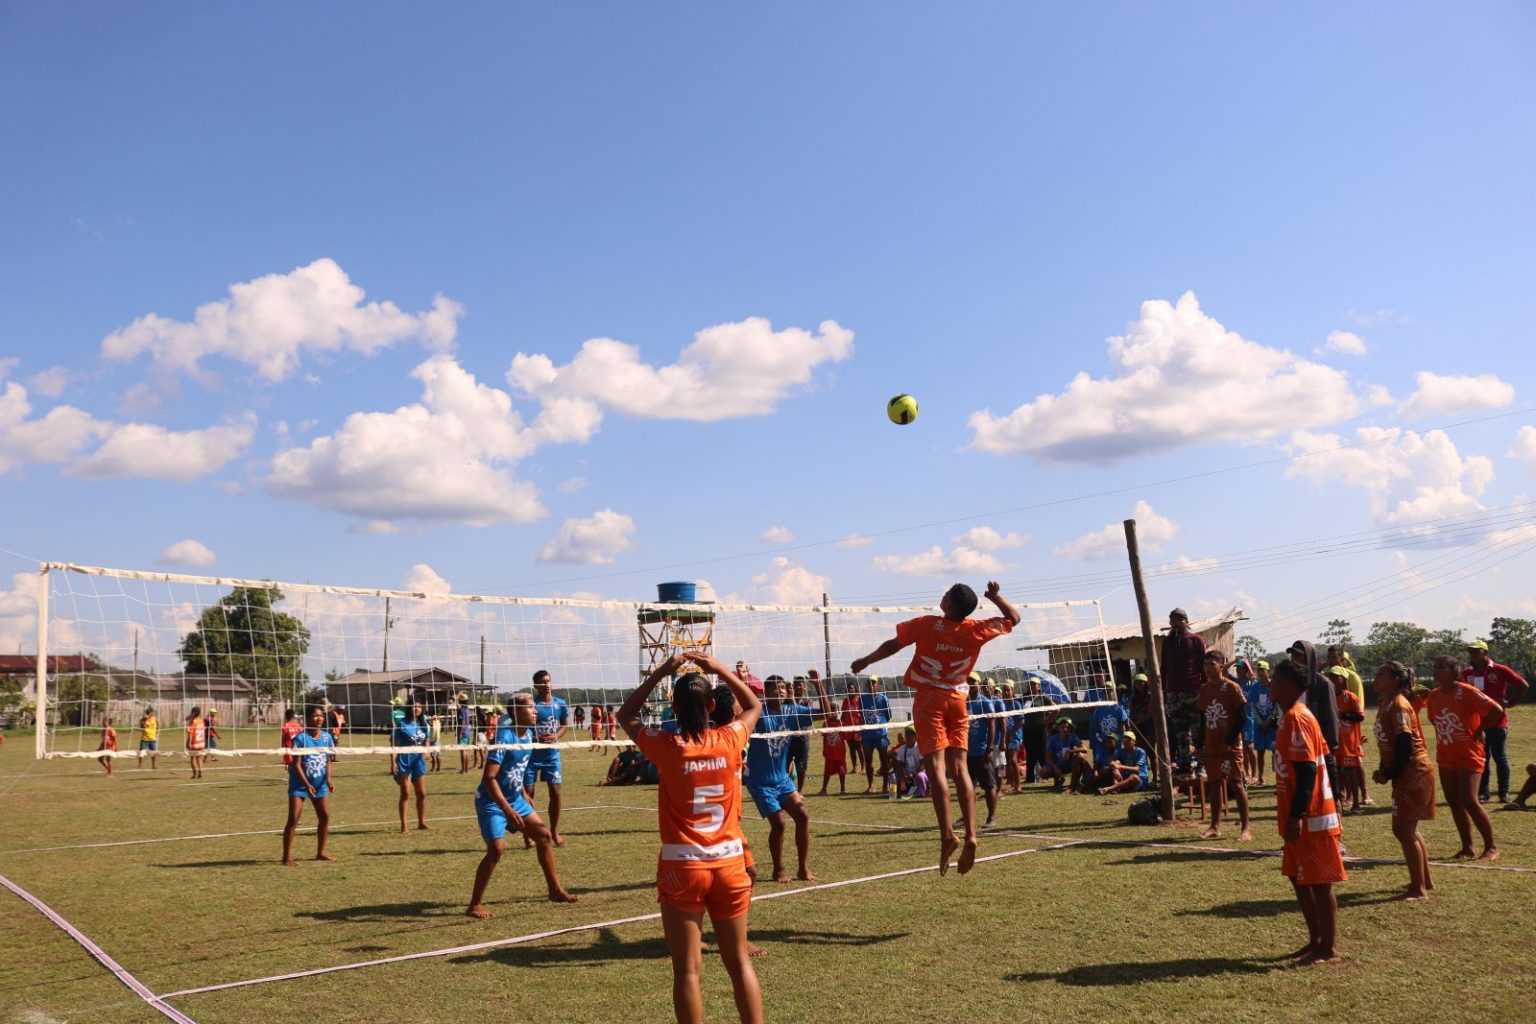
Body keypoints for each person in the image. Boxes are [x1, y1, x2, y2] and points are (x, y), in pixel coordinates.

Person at [615, 653, 763, 1024]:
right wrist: (720, 669)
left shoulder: (668, 746)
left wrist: (659, 673)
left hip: (683, 865)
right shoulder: (729, 739)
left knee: (687, 971)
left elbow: (626, 715)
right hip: (730, 864)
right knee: (739, 962)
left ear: (674, 708)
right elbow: (753, 706)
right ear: (712, 706)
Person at [849, 580, 1021, 876]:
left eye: (946, 594)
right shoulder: (975, 629)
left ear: (949, 603)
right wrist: (995, 597)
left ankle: (947, 835)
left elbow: (893, 645)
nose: (942, 595)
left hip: (930, 698)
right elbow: (1014, 618)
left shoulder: (926, 625)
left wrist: (865, 660)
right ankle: (972, 834)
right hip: (958, 699)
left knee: (937, 769)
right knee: (961, 769)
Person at [466, 692, 578, 916]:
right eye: (530, 707)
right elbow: (489, 778)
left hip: (515, 798)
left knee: (544, 836)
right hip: (492, 801)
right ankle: (474, 904)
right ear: (517, 711)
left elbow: (518, 766)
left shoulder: (528, 735)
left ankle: (555, 890)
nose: (535, 711)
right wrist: (507, 810)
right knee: (497, 849)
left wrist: (522, 792)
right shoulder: (504, 737)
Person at [1269, 659, 1346, 966]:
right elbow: (1325, 756)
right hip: (1301, 814)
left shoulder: (1298, 718)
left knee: (1319, 882)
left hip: (1312, 816)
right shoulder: (1291, 716)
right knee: (1297, 877)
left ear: (1288, 686)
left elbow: (1308, 770)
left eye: (1275, 679)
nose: (1270, 684)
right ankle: (1315, 940)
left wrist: (1296, 814)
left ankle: (1328, 947)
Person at [744, 674, 823, 882]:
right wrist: (743, 681)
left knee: (802, 815)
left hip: (782, 780)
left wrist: (818, 685)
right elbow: (742, 708)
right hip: (760, 781)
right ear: (766, 693)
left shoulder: (793, 711)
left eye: (782, 688)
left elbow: (826, 713)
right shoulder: (759, 713)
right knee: (779, 823)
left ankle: (803, 868)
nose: (779, 691)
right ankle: (778, 869)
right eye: (774, 688)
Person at [1425, 654, 1501, 860]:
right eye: (1435, 666)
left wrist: (1480, 729)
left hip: (1469, 753)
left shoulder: (1467, 691)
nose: (1435, 670)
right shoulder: (1434, 695)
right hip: (1446, 753)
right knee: (1453, 800)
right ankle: (1468, 846)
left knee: (1469, 799)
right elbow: (1434, 719)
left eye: (1440, 667)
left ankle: (1491, 846)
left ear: (1454, 671)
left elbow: (1496, 710)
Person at [1371, 661, 1435, 900]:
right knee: (1408, 829)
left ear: (1395, 680)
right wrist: (1384, 768)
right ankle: (1424, 881)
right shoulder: (1386, 703)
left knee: (1403, 830)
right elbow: (1388, 742)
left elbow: (1404, 744)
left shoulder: (1398, 705)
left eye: (1381, 674)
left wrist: (1388, 773)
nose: (1376, 677)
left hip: (1413, 771)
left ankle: (1418, 889)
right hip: (1405, 772)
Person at [1462, 638, 1528, 804]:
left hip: (1497, 722)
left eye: (1476, 651)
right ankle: (1483, 793)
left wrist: (1510, 703)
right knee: (1482, 758)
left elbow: (1523, 685)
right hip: (1476, 723)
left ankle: (1503, 793)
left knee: (1500, 757)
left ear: (1485, 652)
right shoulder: (1467, 673)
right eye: (1470, 651)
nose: (1472, 654)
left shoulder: (1499, 669)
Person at [1196, 651, 1251, 841]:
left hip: (1230, 747)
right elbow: (1202, 719)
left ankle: (1245, 828)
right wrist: (1199, 745)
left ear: (1221, 665)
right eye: (1205, 664)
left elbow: (1242, 718)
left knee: (1236, 783)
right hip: (1211, 746)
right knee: (1214, 784)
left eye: (1212, 664)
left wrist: (1228, 742)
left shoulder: (1232, 688)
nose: (1208, 668)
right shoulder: (1204, 690)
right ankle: (1215, 826)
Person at [282, 705, 336, 865]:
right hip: (299, 785)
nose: (319, 718)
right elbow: (296, 764)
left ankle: (321, 852)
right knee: (293, 818)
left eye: (321, 716)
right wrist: (306, 784)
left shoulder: (327, 737)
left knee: (324, 816)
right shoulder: (301, 739)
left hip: (319, 784)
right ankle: (286, 857)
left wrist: (328, 779)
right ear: (307, 718)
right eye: (315, 716)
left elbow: (327, 760)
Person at [1287, 641, 1341, 795]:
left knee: (1327, 791)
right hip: (1298, 746)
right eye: (1293, 655)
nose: (1294, 659)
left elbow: (1331, 718)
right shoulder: (1291, 684)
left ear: (1309, 658)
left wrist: (1331, 747)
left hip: (1320, 746)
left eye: (1299, 655)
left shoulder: (1323, 684)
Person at [525, 670, 570, 848]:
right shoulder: (532, 705)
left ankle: (554, 832)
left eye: (548, 680)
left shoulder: (560, 704)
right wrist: (536, 738)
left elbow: (564, 725)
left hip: (552, 755)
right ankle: (528, 834)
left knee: (556, 793)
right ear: (536, 686)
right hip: (531, 755)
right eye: (543, 682)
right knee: (528, 794)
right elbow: (524, 726)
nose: (547, 684)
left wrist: (555, 736)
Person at [1160, 608, 1206, 757]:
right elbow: (1164, 668)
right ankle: (1185, 761)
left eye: (1179, 620)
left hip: (1193, 691)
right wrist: (1164, 691)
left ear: (1186, 622)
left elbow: (1203, 667)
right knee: (1180, 731)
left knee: (1197, 729)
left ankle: (1200, 761)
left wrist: (1205, 690)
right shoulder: (1167, 642)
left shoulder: (1195, 640)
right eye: (1173, 620)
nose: (1176, 623)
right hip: (1173, 693)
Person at [965, 679, 1002, 825]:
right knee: (968, 787)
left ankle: (991, 817)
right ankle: (967, 817)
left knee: (989, 785)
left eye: (973, 682)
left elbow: (992, 726)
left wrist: (990, 748)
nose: (970, 685)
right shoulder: (964, 701)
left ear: (979, 685)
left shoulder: (985, 702)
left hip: (981, 751)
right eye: (968, 682)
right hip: (967, 751)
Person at [1330, 667, 1367, 814]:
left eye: (1336, 676)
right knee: (1337, 772)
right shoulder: (1329, 696)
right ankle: (1341, 800)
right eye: (1331, 676)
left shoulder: (1351, 697)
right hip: (1335, 741)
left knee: (1351, 772)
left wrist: (1343, 714)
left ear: (1343, 679)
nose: (1332, 679)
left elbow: (1360, 716)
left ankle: (1356, 803)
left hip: (1349, 743)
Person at [391, 698, 431, 833]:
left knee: (422, 794)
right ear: (409, 708)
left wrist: (427, 750)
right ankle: (404, 825)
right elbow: (394, 744)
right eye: (414, 706)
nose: (417, 709)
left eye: (419, 706)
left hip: (418, 759)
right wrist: (393, 762)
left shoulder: (423, 723)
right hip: (404, 759)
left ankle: (421, 822)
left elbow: (426, 740)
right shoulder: (401, 724)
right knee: (406, 793)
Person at [1245, 661, 1278, 786]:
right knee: (1260, 751)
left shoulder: (1273, 686)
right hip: (1259, 725)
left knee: (1275, 751)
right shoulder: (1255, 687)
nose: (1260, 673)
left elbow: (1277, 706)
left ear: (1268, 671)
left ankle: (1278, 778)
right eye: (1258, 670)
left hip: (1272, 724)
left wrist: (1269, 721)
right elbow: (1252, 706)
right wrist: (1260, 721)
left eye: (1262, 670)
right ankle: (1260, 778)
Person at [857, 677, 892, 794]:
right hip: (867, 735)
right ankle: (870, 786)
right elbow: (861, 713)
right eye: (869, 684)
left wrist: (880, 724)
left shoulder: (883, 698)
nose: (871, 686)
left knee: (884, 760)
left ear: (878, 685)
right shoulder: (862, 698)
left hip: (881, 734)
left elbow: (888, 715)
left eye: (873, 683)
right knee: (868, 761)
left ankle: (885, 786)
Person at [817, 702, 849, 796]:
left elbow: (845, 737)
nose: (833, 713)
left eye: (835, 711)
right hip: (830, 752)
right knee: (827, 771)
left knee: (842, 770)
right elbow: (825, 738)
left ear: (838, 712)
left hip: (840, 752)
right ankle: (824, 789)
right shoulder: (826, 723)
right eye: (831, 711)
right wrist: (824, 749)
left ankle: (843, 789)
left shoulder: (841, 724)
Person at [1000, 684, 1026, 794]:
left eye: (1008, 690)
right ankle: (1011, 784)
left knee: (1013, 758)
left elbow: (1021, 721)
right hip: (1004, 736)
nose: (1006, 692)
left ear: (1012, 692)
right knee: (1006, 760)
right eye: (1004, 691)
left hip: (1015, 736)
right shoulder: (1001, 705)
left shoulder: (1016, 704)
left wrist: (1011, 733)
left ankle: (1018, 785)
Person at [840, 681, 865, 776]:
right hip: (848, 728)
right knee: (851, 748)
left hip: (858, 727)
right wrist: (840, 724)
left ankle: (863, 767)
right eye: (848, 688)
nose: (850, 690)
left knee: (859, 747)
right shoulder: (845, 701)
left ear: (855, 689)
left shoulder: (859, 699)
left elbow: (863, 713)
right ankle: (854, 767)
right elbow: (843, 715)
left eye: (852, 688)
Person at [185, 707, 207, 780]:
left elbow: (191, 734)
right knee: (199, 758)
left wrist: (188, 743)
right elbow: (203, 731)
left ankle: (194, 774)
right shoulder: (201, 721)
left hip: (194, 743)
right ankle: (200, 770)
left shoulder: (192, 722)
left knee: (192, 758)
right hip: (201, 742)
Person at [457, 698, 474, 773]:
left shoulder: (461, 710)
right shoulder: (467, 709)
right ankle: (466, 769)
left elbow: (462, 722)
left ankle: (463, 769)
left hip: (463, 732)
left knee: (463, 751)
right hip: (468, 731)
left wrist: (460, 733)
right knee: (466, 751)